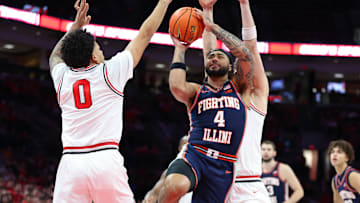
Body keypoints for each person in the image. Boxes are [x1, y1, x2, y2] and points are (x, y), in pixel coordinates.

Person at [49, 0, 173, 202]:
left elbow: (54, 56)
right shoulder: (110, 72)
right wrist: (164, 2)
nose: (102, 52)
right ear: (94, 58)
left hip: (71, 164)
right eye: (98, 49)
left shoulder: (62, 77)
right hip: (104, 159)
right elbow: (145, 33)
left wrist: (74, 29)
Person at [158, 0, 260, 201]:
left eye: (220, 56)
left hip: (223, 165)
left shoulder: (239, 89)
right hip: (195, 154)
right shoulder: (198, 91)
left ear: (231, 68)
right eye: (210, 56)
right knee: (174, 185)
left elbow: (246, 55)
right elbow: (177, 86)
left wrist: (214, 28)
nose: (213, 58)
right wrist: (180, 48)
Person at [143, 136, 192, 203]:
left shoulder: (205, 168)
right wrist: (148, 199)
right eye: (185, 146)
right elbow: (154, 193)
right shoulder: (171, 171)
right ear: (180, 148)